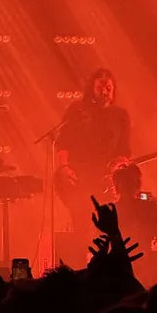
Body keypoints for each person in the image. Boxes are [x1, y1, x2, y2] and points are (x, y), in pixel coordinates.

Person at [56, 69, 131, 258]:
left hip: (107, 180)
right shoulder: (77, 111)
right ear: (92, 89)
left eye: (108, 88)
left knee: (107, 229)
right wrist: (64, 168)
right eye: (100, 87)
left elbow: (125, 150)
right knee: (82, 226)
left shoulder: (121, 115)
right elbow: (63, 142)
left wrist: (120, 167)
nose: (104, 91)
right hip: (80, 178)